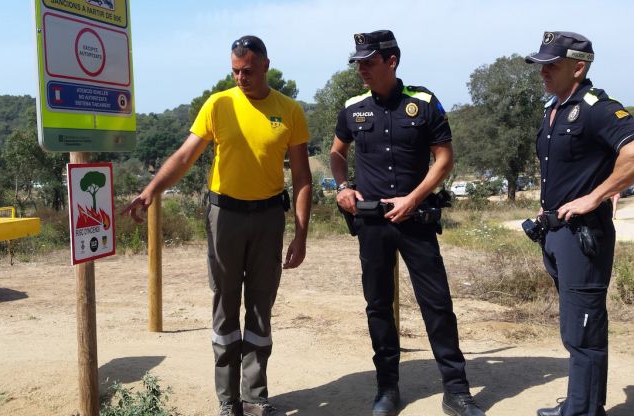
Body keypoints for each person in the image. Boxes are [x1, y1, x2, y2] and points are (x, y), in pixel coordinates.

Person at [122, 35, 311, 416]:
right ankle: (228, 401)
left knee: (260, 307)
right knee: (225, 306)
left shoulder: (289, 110)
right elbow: (185, 156)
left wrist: (301, 233)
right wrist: (151, 191)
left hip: (269, 217)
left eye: (248, 71)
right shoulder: (218, 104)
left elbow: (303, 177)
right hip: (224, 216)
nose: (241, 78)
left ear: (266, 66)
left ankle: (255, 397)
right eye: (235, 71)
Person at [329, 30, 484, 416]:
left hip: (416, 219)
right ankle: (387, 389)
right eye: (358, 63)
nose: (361, 69)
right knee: (378, 306)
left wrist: (413, 198)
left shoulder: (424, 102)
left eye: (369, 62)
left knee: (437, 304)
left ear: (392, 60)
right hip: (372, 224)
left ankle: (457, 390)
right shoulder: (352, 107)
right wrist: (343, 186)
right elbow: (336, 151)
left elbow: (444, 159)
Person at [525, 32, 634, 416]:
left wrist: (596, 195)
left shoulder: (596, 108)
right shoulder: (552, 109)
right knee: (576, 327)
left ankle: (583, 411)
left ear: (579, 67)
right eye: (542, 65)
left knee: (583, 330)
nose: (544, 72)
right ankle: (579, 404)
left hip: (584, 236)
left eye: (552, 65)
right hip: (556, 235)